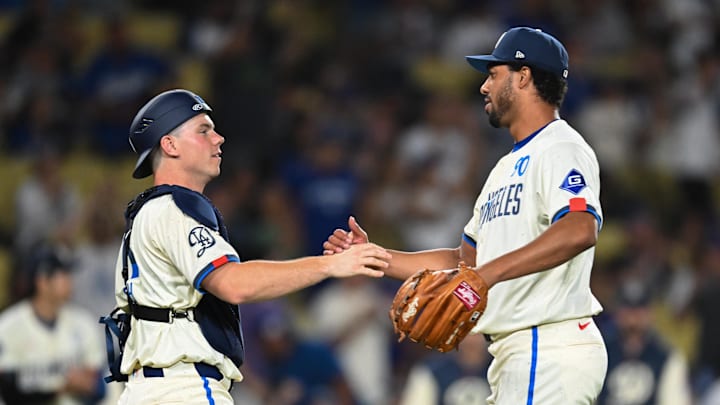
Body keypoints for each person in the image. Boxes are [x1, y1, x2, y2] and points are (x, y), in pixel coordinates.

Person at [324, 27, 608, 404]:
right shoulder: (503, 170)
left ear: (523, 76)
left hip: (548, 345)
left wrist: (485, 277)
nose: (484, 87)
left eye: (493, 74)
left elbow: (579, 228)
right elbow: (465, 262)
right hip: (518, 354)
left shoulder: (560, 147)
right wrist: (376, 257)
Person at [110, 88, 391, 405]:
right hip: (183, 388)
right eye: (203, 130)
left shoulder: (152, 212)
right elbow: (234, 283)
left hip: (149, 389)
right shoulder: (174, 210)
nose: (218, 138)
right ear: (169, 144)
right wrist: (330, 265)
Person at [0, 245, 108, 404]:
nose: (70, 281)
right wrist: (61, 388)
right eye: (63, 274)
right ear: (43, 282)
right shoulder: (8, 327)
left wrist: (90, 385)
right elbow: (9, 393)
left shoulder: (82, 322)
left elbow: (102, 387)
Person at [597, 281, 692, 405]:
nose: (633, 319)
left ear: (650, 314)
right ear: (618, 313)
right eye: (628, 310)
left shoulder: (666, 356)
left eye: (639, 311)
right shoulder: (600, 352)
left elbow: (675, 401)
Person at [398, 333, 491, 405]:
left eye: (479, 334)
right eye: (467, 332)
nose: (472, 341)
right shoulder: (431, 370)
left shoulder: (502, 370)